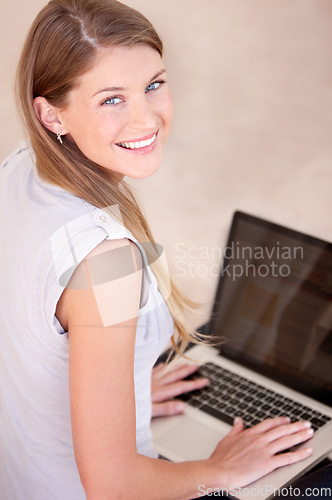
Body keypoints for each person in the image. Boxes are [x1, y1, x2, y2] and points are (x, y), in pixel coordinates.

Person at [0, 1, 326, 499]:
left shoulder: (19, 171)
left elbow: (34, 338)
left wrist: (123, 394)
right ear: (51, 113)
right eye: (112, 99)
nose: (146, 118)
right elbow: (112, 485)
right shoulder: (107, 262)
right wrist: (219, 471)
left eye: (153, 84)